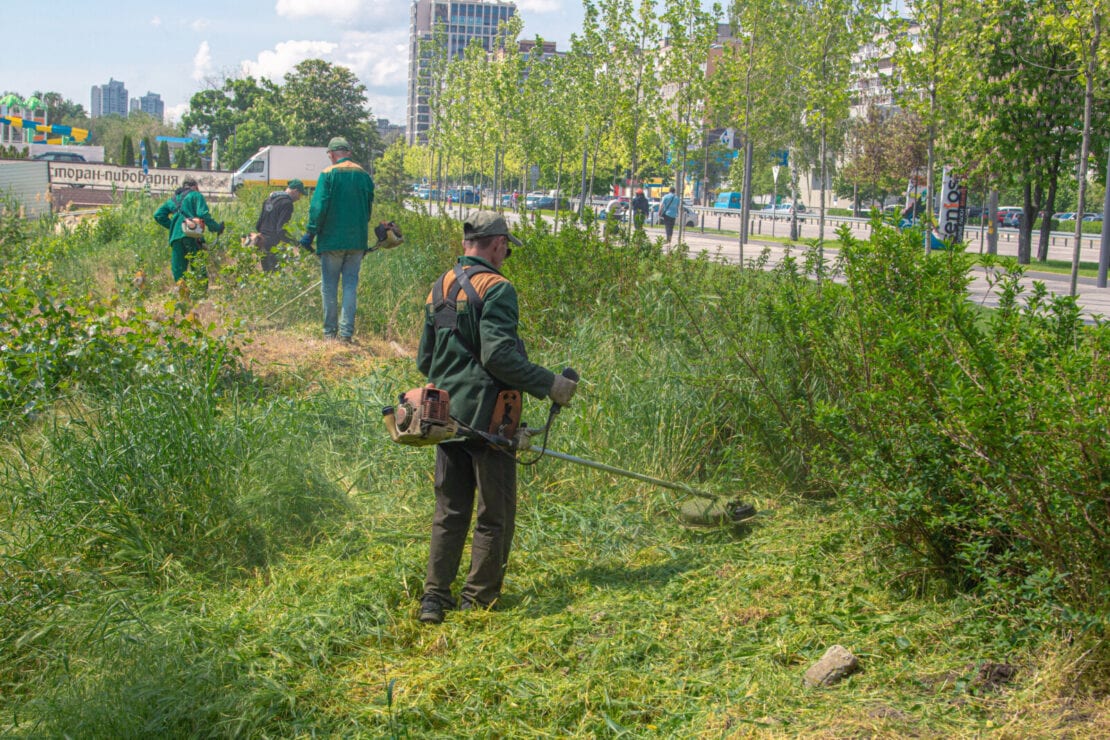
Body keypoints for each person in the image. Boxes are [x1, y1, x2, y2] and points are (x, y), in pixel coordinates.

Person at [416, 210, 578, 624]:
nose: (506, 254)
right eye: (506, 247)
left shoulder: (441, 286)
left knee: (450, 511)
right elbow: (499, 357)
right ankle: (478, 600)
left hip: (444, 414)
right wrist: (550, 385)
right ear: (498, 243)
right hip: (492, 419)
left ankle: (434, 599)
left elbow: (425, 360)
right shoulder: (498, 288)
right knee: (494, 513)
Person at [299, 137, 375, 342]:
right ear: (348, 153)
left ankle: (329, 333)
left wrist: (310, 233)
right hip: (357, 242)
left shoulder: (328, 174)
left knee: (329, 285)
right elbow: (368, 209)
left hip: (332, 241)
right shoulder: (364, 175)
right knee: (350, 285)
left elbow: (318, 207)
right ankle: (346, 334)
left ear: (331, 155)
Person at [153, 178, 224, 284]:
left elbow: (158, 215)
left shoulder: (173, 200)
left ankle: (183, 294)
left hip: (176, 237)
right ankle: (200, 294)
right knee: (198, 267)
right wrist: (216, 228)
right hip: (192, 236)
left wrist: (173, 226)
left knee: (179, 270)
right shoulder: (196, 195)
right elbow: (203, 214)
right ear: (195, 187)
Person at [253, 179, 306, 272]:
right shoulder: (287, 204)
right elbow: (281, 230)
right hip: (274, 244)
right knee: (275, 275)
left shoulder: (269, 200)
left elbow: (258, 224)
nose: (299, 198)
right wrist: (296, 243)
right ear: (295, 191)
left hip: (262, 242)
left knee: (266, 274)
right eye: (300, 195)